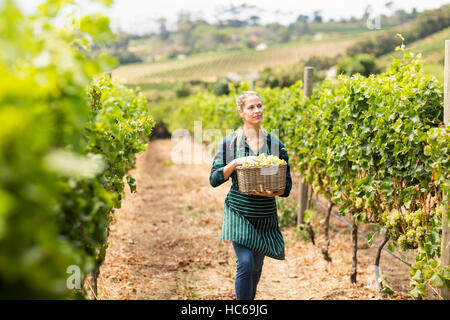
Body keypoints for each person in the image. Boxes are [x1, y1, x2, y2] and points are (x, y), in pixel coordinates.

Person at [209, 90, 292, 300]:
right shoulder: (230, 143)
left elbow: (286, 188)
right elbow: (214, 179)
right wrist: (236, 163)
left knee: (255, 267)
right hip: (238, 212)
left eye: (259, 106)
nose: (257, 110)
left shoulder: (275, 145)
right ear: (241, 112)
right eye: (251, 107)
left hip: (264, 214)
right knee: (245, 263)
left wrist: (271, 193)